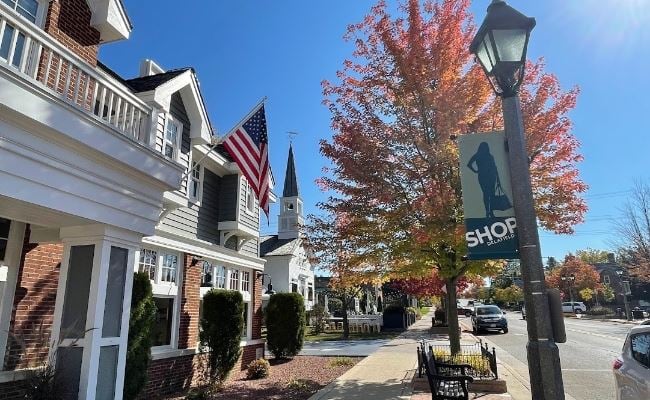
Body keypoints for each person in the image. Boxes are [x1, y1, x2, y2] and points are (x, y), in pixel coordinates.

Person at [466, 142, 499, 218]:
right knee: (490, 194)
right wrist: (475, 171)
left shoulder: (478, 155)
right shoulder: (489, 156)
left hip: (484, 176)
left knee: (486, 194)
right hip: (489, 177)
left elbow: (469, 164)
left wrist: (476, 171)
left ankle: (488, 211)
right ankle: (490, 211)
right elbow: (494, 167)